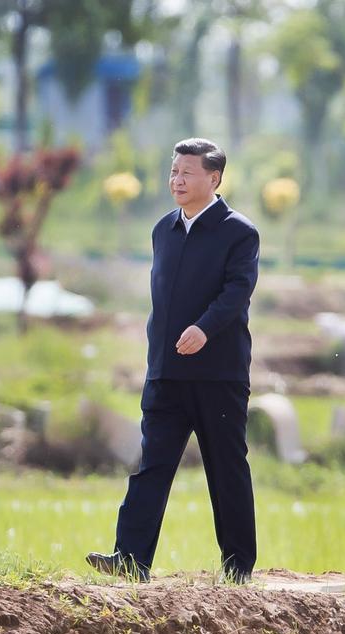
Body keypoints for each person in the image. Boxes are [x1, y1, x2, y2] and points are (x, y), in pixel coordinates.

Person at [87, 137, 259, 583]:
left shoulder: (239, 232)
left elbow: (237, 292)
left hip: (218, 376)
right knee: (151, 465)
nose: (177, 180)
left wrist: (204, 329)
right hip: (166, 373)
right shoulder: (163, 229)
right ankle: (130, 558)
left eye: (187, 172)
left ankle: (238, 567)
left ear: (214, 178)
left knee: (226, 469)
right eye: (174, 171)